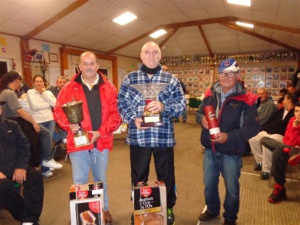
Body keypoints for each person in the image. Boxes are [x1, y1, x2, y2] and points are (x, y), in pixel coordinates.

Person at [118, 41, 186, 225]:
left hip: (163, 137)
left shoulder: (171, 79)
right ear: (141, 56)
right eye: (147, 52)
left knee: (166, 176)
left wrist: (164, 106)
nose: (151, 55)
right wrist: (133, 118)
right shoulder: (130, 79)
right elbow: (121, 103)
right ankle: (140, 209)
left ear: (160, 56)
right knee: (139, 177)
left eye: (155, 52)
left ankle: (168, 207)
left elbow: (181, 106)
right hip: (139, 137)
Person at [53, 51, 121, 225]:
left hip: (101, 140)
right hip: (78, 142)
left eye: (92, 64)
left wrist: (100, 132)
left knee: (100, 179)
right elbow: (58, 111)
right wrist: (69, 124)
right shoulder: (68, 87)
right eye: (85, 64)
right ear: (79, 66)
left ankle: (104, 209)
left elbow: (116, 114)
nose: (89, 67)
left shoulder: (110, 87)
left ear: (97, 66)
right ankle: (80, 212)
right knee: (80, 180)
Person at [196, 58, 260, 225]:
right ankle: (212, 210)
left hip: (231, 151)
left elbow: (252, 128)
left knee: (231, 188)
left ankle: (230, 218)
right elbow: (198, 113)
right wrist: (202, 118)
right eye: (223, 73)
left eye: (230, 73)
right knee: (209, 184)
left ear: (237, 75)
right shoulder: (210, 93)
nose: (226, 77)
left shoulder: (247, 99)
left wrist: (228, 137)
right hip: (210, 149)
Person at [0, 71, 63, 178]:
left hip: (14, 123)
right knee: (44, 134)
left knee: (44, 138)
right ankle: (47, 159)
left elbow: (54, 104)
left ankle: (45, 161)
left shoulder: (6, 92)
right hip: (15, 123)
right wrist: (33, 122)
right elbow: (20, 110)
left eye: (41, 81)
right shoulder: (10, 93)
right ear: (16, 80)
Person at [0, 100, 44, 225]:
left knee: (35, 177)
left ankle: (29, 221)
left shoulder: (11, 125)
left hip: (16, 167)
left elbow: (24, 146)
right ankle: (26, 217)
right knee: (3, 188)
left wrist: (21, 167)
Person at [249, 93, 297, 180]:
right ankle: (260, 162)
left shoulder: (294, 114)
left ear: (289, 100)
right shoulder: (280, 111)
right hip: (270, 131)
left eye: (285, 99)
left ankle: (266, 170)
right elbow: (271, 121)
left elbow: (283, 126)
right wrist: (262, 128)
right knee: (253, 138)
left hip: (280, 135)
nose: (283, 101)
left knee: (267, 142)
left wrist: (271, 128)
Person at [260, 101, 300, 203]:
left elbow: (296, 141)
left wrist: (296, 128)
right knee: (264, 139)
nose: (298, 114)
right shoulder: (292, 120)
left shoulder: (295, 122)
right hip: (291, 150)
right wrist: (287, 146)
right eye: (296, 111)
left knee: (277, 153)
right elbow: (287, 138)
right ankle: (290, 150)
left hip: (298, 151)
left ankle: (279, 187)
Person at [27, 75, 58, 176]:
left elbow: (54, 104)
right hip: (38, 121)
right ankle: (47, 162)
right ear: (34, 83)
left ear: (44, 83)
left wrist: (44, 94)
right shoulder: (30, 92)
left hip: (50, 120)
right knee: (43, 143)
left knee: (48, 143)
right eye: (37, 81)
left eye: (41, 81)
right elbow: (34, 106)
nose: (39, 83)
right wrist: (47, 104)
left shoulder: (47, 92)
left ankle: (45, 168)